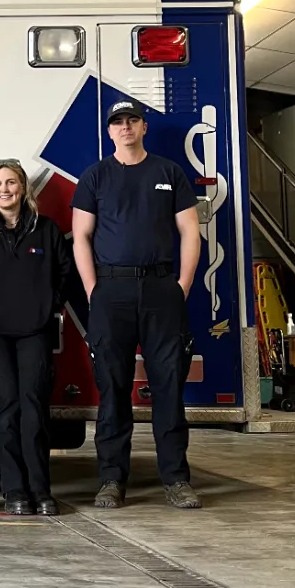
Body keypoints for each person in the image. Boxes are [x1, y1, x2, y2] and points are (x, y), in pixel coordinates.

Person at [71, 98, 202, 510]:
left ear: (143, 127)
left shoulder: (169, 172)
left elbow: (190, 233)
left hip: (163, 290)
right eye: (118, 123)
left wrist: (181, 285)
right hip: (111, 292)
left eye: (132, 121)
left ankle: (176, 480)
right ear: (109, 132)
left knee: (168, 389)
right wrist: (94, 290)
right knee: (112, 391)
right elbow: (81, 238)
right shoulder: (94, 177)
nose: (125, 127)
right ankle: (111, 479)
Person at [0, 159, 72, 516]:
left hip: (34, 333)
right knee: (4, 410)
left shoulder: (46, 230)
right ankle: (15, 491)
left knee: (34, 410)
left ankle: (40, 489)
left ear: (23, 188)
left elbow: (65, 274)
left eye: (11, 183)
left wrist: (47, 304)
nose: (4, 190)